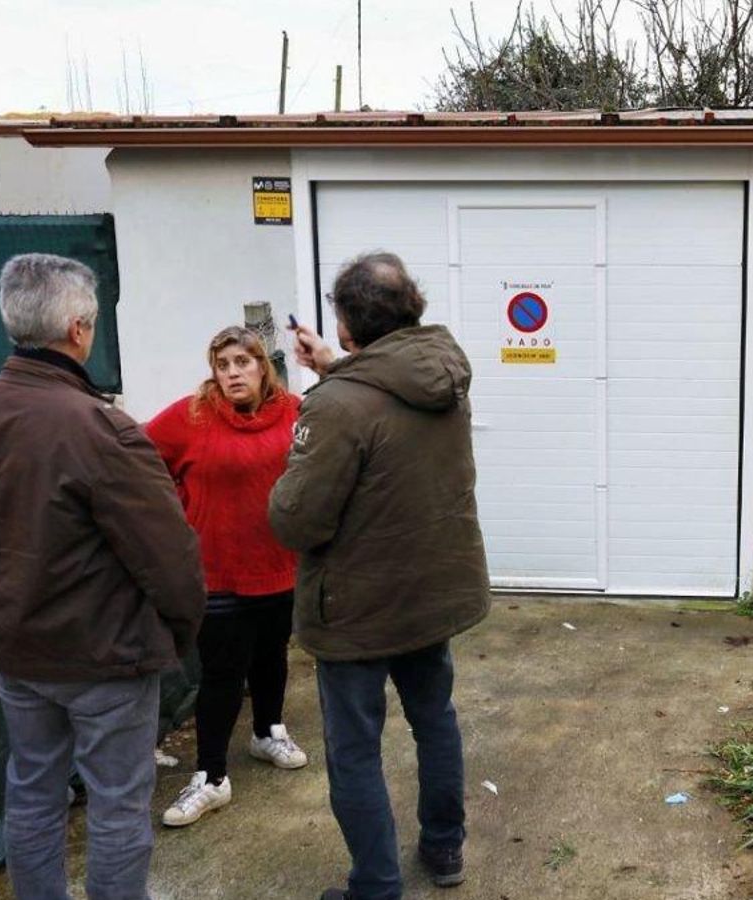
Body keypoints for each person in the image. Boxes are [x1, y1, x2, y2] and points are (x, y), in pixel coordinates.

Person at [0, 253, 206, 900]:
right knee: (116, 807)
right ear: (79, 329)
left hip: (16, 655)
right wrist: (179, 633)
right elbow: (172, 563)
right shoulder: (102, 429)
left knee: (31, 791)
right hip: (105, 660)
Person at [269, 252, 491, 900]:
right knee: (435, 721)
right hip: (433, 594)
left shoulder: (337, 408)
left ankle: (376, 886)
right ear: (411, 308)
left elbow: (296, 522)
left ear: (345, 323)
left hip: (360, 610)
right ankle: (444, 848)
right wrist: (332, 368)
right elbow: (384, 397)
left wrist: (298, 447)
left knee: (355, 750)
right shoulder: (443, 377)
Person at [144, 326, 309, 828]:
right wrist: (174, 514)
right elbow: (138, 458)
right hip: (216, 573)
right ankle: (212, 776)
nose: (233, 373)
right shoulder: (190, 416)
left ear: (263, 366)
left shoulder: (296, 413)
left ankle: (267, 731)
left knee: (272, 654)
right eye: (223, 365)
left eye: (242, 362)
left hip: (279, 563)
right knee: (221, 673)